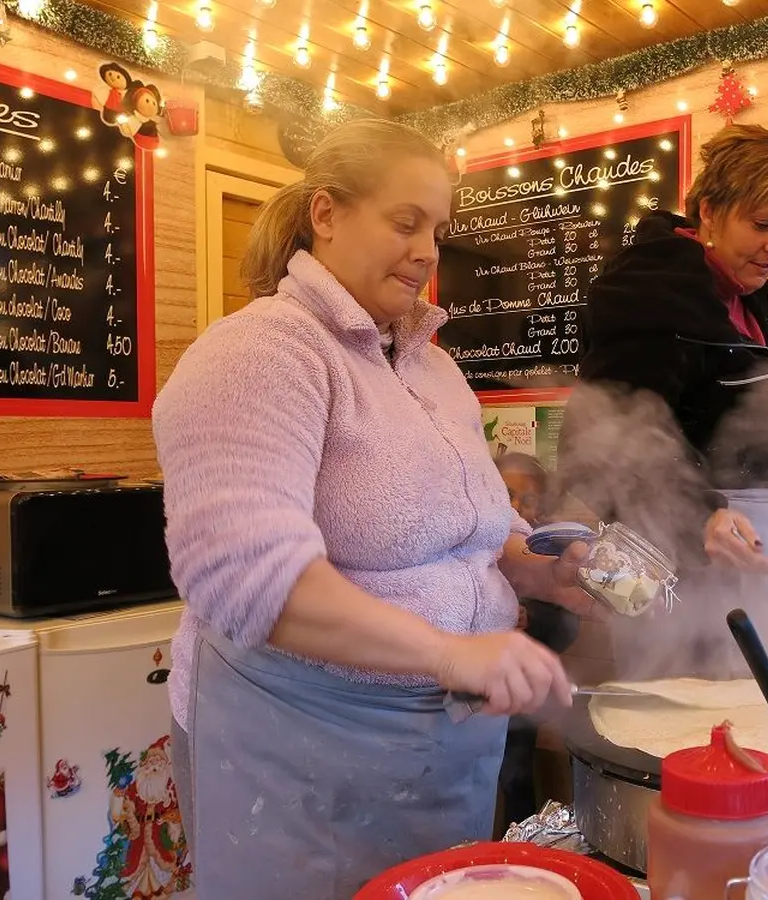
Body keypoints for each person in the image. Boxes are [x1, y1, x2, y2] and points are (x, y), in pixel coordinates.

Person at [152, 119, 594, 898]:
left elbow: (468, 527)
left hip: (445, 743)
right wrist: (451, 653)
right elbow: (248, 581)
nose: (427, 251)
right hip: (300, 750)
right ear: (326, 214)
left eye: (438, 231)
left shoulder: (436, 370)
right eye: (405, 221)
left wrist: (536, 568)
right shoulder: (259, 352)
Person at [557, 124, 768, 675]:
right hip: (679, 557)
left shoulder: (745, 297)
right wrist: (698, 518)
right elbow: (598, 443)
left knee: (757, 703)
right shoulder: (651, 293)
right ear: (710, 212)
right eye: (761, 224)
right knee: (689, 711)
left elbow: (718, 421)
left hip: (743, 545)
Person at [494, 453, 580, 826]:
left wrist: (531, 618)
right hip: (461, 687)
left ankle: (520, 835)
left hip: (521, 694)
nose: (515, 505)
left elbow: (566, 626)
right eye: (506, 493)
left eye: (527, 500)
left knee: (515, 773)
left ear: (540, 508)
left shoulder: (545, 551)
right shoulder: (471, 543)